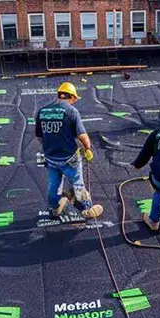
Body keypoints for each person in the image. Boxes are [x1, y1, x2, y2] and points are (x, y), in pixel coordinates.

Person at [35, 82, 102, 219]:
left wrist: (49, 147)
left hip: (51, 158)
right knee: (78, 183)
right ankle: (87, 208)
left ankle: (54, 208)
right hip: (69, 158)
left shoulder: (42, 111)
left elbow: (39, 137)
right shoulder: (71, 111)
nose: (75, 101)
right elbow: (82, 136)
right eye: (75, 98)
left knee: (54, 183)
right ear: (71, 97)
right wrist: (88, 149)